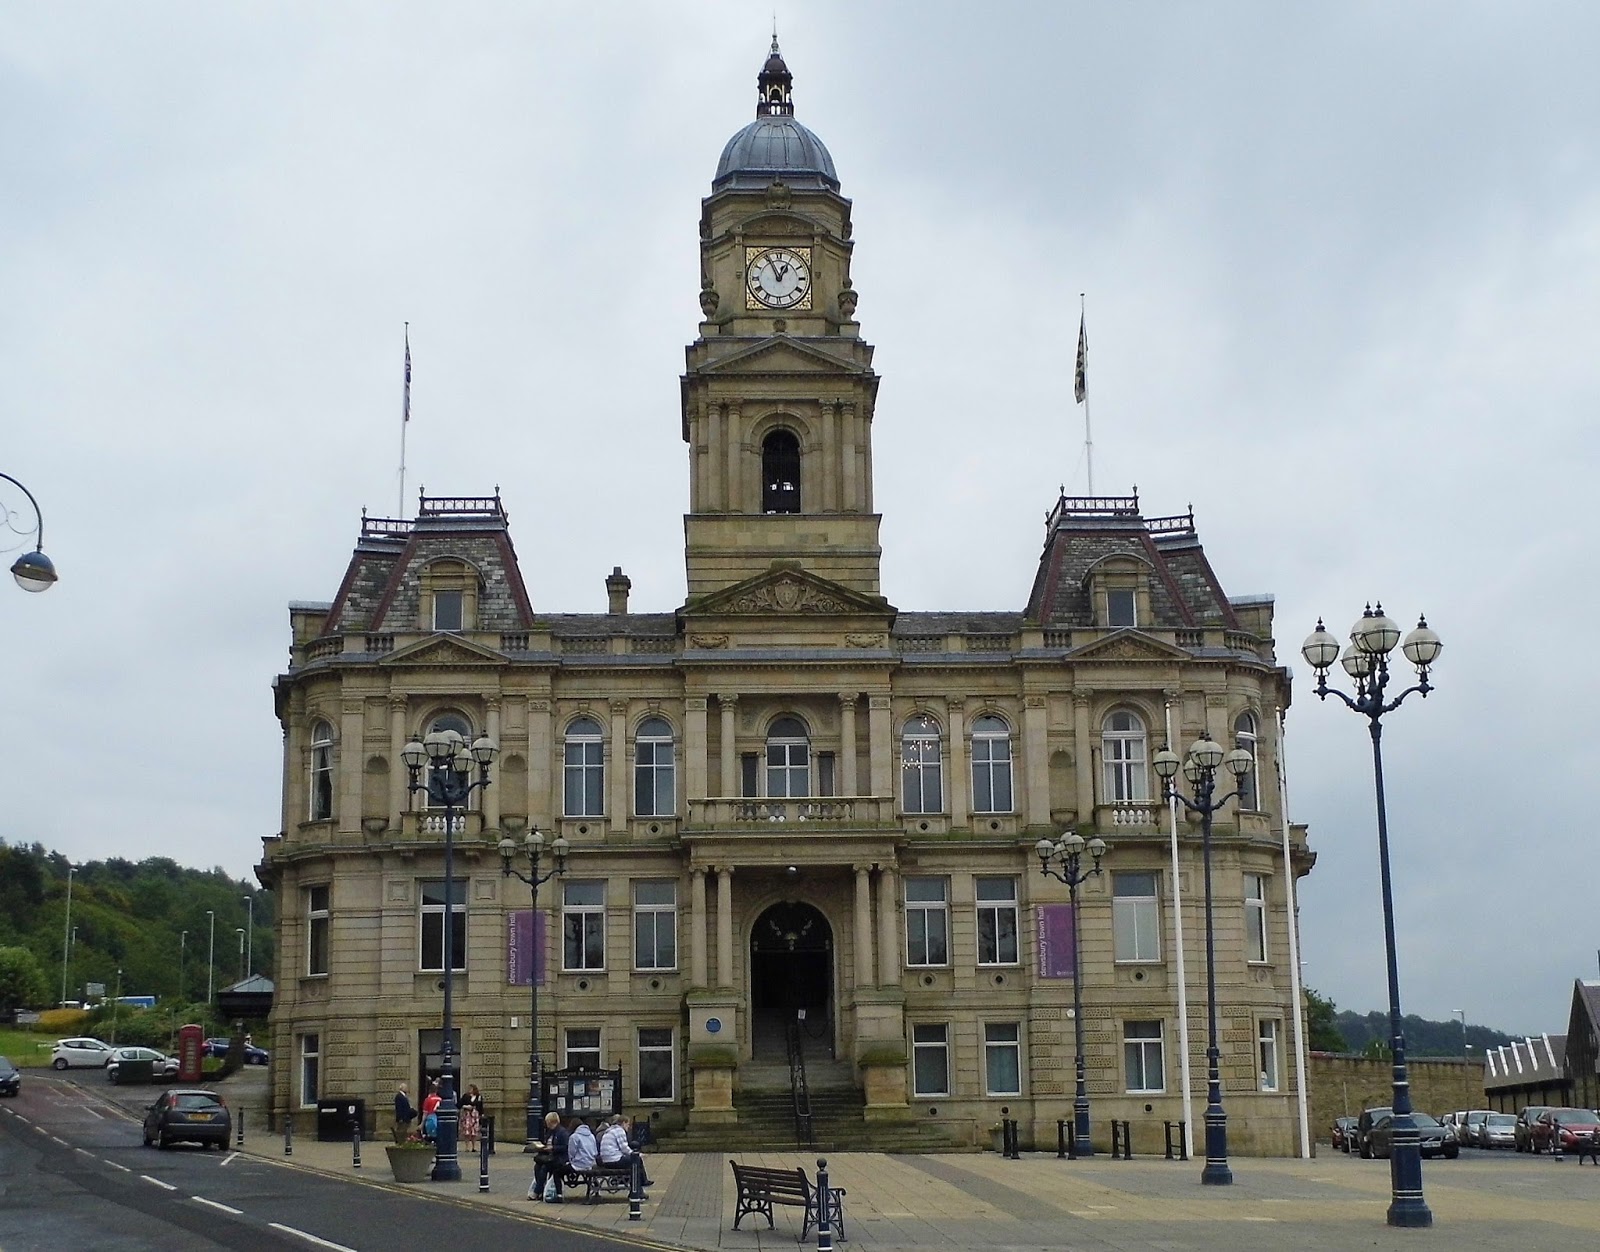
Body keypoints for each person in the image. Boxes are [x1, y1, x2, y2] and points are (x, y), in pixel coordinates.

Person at [599, 1113, 652, 1187]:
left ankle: (624, 1180)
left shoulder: (610, 1130)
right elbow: (624, 1148)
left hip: (606, 1160)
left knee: (631, 1160)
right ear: (623, 1123)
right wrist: (637, 1154)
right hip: (614, 1160)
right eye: (628, 1124)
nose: (629, 1127)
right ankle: (642, 1182)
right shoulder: (619, 1131)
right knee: (637, 1160)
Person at [529, 1111, 569, 1203]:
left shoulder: (562, 1132)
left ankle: (537, 1191)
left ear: (551, 1122)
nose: (546, 1124)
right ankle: (540, 1188)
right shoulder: (550, 1132)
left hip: (559, 1158)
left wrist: (553, 1148)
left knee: (544, 1168)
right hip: (550, 1157)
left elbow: (565, 1147)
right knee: (537, 1166)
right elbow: (546, 1143)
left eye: (547, 1122)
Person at [460, 1084, 484, 1151]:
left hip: (475, 1114)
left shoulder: (478, 1096)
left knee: (474, 1131)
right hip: (467, 1114)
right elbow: (460, 1104)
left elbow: (480, 1106)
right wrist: (465, 1106)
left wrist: (481, 1114)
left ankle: (474, 1147)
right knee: (467, 1131)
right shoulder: (465, 1096)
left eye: (470, 1088)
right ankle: (467, 1147)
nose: (469, 1090)